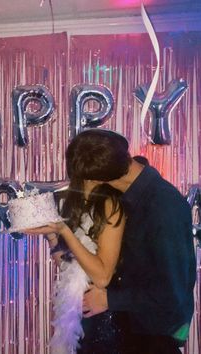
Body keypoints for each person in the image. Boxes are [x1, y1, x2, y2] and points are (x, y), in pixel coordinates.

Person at [26, 128, 196, 354]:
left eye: (81, 178)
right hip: (119, 331)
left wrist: (110, 300)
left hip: (150, 337)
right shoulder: (116, 195)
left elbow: (172, 292)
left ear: (94, 177)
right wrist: (52, 235)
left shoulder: (163, 207)